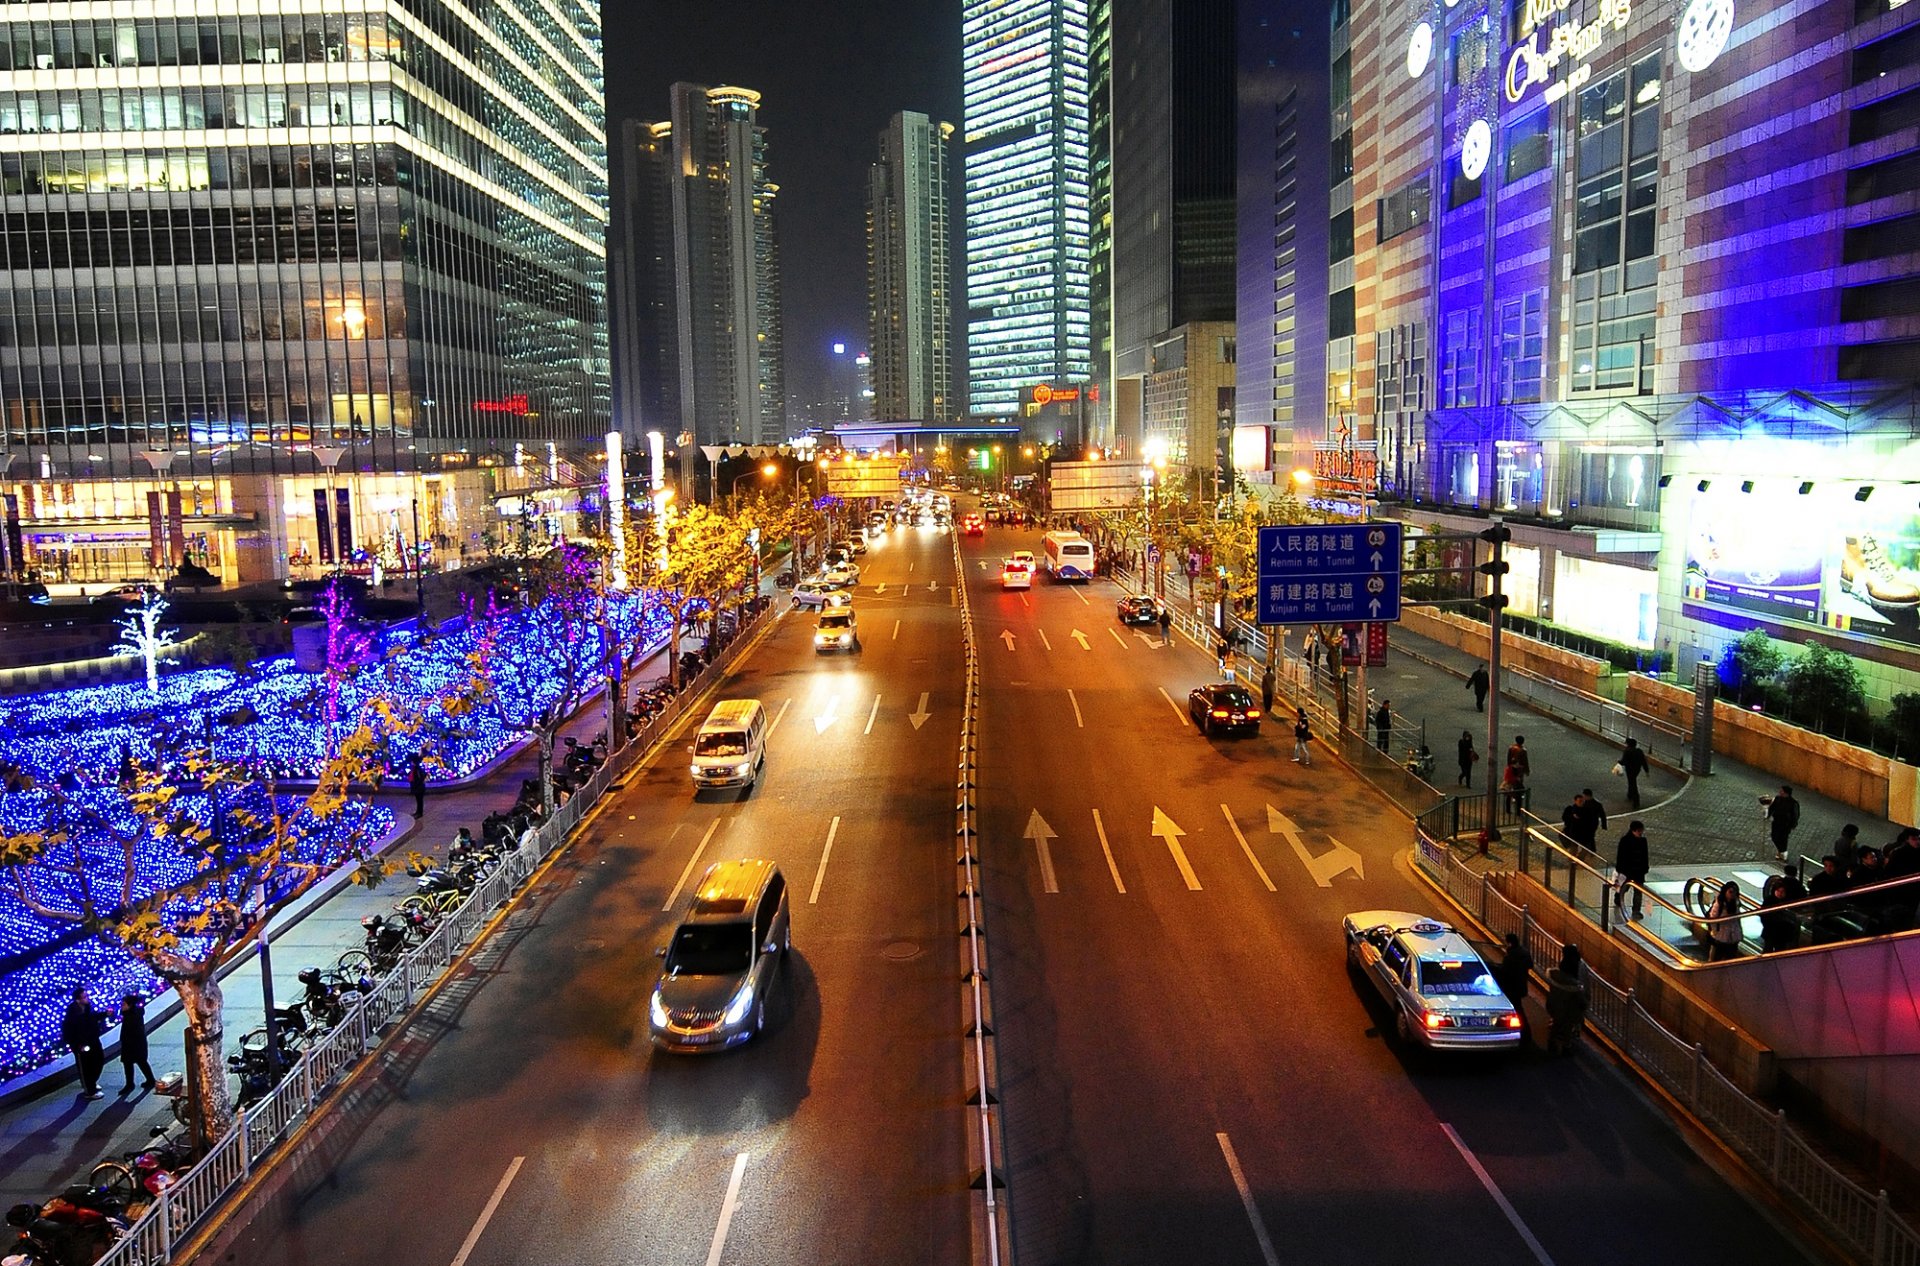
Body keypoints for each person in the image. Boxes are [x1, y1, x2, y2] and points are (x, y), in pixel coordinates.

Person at [1544, 945, 1589, 1055]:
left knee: (1556, 1024)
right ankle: (1566, 1046)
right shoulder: (1575, 985)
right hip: (1569, 1009)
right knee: (1567, 1027)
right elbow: (1582, 999)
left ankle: (1552, 1043)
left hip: (1554, 1004)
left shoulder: (1554, 975)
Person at [62, 986, 105, 1100]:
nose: (87, 998)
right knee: (86, 1067)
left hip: (93, 1040)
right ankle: (89, 1091)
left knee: (99, 1060)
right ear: (78, 1000)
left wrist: (105, 1014)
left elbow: (92, 1018)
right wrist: (78, 1045)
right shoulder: (73, 1014)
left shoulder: (87, 1008)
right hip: (82, 1044)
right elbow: (71, 1031)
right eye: (84, 997)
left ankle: (91, 1082)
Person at [1613, 821, 1650, 920]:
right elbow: (1620, 857)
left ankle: (1636, 911)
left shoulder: (1643, 841)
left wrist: (1645, 868)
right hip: (1627, 871)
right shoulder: (1625, 841)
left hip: (1639, 872)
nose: (1641, 833)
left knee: (1638, 892)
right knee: (1624, 888)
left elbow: (1645, 856)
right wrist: (1620, 870)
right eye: (1639, 831)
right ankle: (1618, 898)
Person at [117, 994, 154, 1093]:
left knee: (138, 1062)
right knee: (133, 1063)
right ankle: (134, 1083)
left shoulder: (132, 1016)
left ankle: (135, 1083)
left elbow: (132, 1031)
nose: (121, 1006)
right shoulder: (131, 1014)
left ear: (129, 1005)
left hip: (133, 1044)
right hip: (133, 1043)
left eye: (124, 1004)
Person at [1758, 876, 1800, 953]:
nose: (1780, 893)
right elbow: (1764, 915)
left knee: (1779, 950)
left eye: (1782, 891)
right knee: (1768, 950)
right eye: (1778, 891)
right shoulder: (1769, 901)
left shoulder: (1787, 902)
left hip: (1782, 933)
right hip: (1771, 931)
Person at [1495, 932, 1533, 1016]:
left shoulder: (1510, 957)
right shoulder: (1524, 952)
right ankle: (1524, 1026)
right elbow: (1530, 965)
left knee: (1516, 1007)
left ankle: (1524, 1027)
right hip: (1521, 984)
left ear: (1509, 943)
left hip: (1512, 986)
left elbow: (1504, 971)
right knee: (1517, 1005)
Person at [1706, 880, 1744, 960]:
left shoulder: (1736, 903)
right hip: (1721, 936)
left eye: (1734, 892)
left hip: (1733, 936)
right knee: (1717, 958)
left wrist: (1739, 932)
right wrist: (1716, 932)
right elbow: (1712, 918)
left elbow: (1737, 920)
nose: (1732, 895)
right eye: (1730, 892)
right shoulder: (1719, 904)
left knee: (1730, 958)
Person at [1765, 784, 1800, 865]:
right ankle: (1781, 851)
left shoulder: (1793, 803)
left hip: (1785, 824)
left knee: (1783, 839)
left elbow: (1795, 815)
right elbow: (1772, 807)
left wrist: (1793, 825)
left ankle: (1783, 853)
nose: (1780, 792)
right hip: (1776, 821)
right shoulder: (1777, 799)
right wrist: (1768, 815)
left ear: (1786, 793)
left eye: (1782, 791)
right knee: (1774, 837)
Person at [1617, 737, 1648, 809]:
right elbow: (1644, 761)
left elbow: (1624, 761)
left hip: (1629, 770)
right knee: (1632, 781)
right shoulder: (1639, 751)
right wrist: (1646, 770)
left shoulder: (1627, 751)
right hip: (1637, 770)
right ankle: (1630, 795)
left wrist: (1619, 762)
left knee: (1632, 783)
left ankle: (1635, 801)